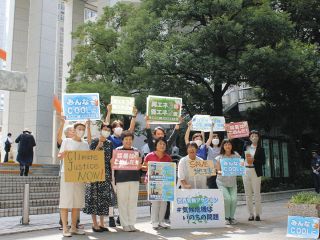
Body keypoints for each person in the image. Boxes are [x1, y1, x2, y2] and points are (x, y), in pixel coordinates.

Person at [83, 123, 117, 232]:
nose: (106, 131)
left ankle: (102, 223)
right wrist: (98, 146)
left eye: (108, 129)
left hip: (105, 173)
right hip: (94, 174)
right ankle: (94, 224)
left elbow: (111, 159)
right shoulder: (94, 141)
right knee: (94, 198)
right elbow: (90, 156)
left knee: (103, 199)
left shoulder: (110, 143)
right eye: (104, 129)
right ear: (101, 130)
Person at [58, 122, 90, 237]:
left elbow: (87, 161)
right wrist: (65, 154)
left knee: (77, 202)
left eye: (83, 129)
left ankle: (74, 227)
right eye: (79, 129)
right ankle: (65, 228)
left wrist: (88, 176)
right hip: (67, 174)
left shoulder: (85, 144)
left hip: (80, 176)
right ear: (74, 130)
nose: (81, 131)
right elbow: (60, 155)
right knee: (65, 201)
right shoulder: (67, 141)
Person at [111, 130, 141, 232]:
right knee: (122, 202)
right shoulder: (117, 151)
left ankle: (131, 223)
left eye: (130, 139)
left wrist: (141, 165)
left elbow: (139, 166)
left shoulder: (136, 151)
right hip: (121, 180)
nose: (128, 141)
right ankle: (124, 224)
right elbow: (113, 166)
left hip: (134, 179)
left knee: (132, 202)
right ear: (122, 140)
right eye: (126, 139)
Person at [142, 138, 172, 229]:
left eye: (164, 144)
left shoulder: (168, 157)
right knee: (155, 202)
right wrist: (150, 167)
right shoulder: (149, 155)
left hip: (165, 182)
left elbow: (170, 170)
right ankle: (154, 221)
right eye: (160, 144)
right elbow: (143, 167)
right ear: (156, 145)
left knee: (164, 202)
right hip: (151, 182)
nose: (162, 146)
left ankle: (161, 221)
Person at [242, 130, 266, 221]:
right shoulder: (246, 146)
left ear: (258, 138)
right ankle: (250, 214)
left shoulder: (261, 149)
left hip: (256, 172)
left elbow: (263, 162)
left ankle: (258, 214)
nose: (254, 137)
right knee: (248, 194)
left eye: (256, 136)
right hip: (246, 170)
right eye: (252, 136)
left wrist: (254, 160)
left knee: (257, 193)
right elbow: (242, 157)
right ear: (250, 138)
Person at [215, 139, 240, 225]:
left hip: (232, 182)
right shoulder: (219, 157)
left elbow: (240, 166)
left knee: (234, 199)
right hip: (221, 182)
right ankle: (226, 218)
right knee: (227, 199)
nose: (227, 146)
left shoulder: (236, 155)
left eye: (229, 144)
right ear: (223, 147)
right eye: (225, 145)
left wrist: (241, 167)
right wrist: (222, 171)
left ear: (231, 146)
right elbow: (217, 171)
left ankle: (231, 218)